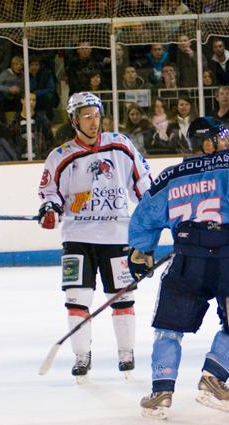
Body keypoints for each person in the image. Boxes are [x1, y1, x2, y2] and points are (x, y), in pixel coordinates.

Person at [129, 117, 229, 417]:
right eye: (221, 137)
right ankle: (214, 378)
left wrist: (142, 251)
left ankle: (161, 390)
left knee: (169, 329)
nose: (227, 142)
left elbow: (144, 216)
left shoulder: (170, 175)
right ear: (207, 143)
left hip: (187, 258)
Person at [37, 92, 152, 383]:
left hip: (116, 236)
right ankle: (81, 356)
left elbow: (141, 181)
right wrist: (50, 209)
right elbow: (50, 193)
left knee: (122, 298)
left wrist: (151, 209)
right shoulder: (61, 155)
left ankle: (126, 353)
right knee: (77, 299)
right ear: (74, 120)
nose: (93, 121)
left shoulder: (121, 145)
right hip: (77, 237)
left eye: (96, 115)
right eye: (86, 116)